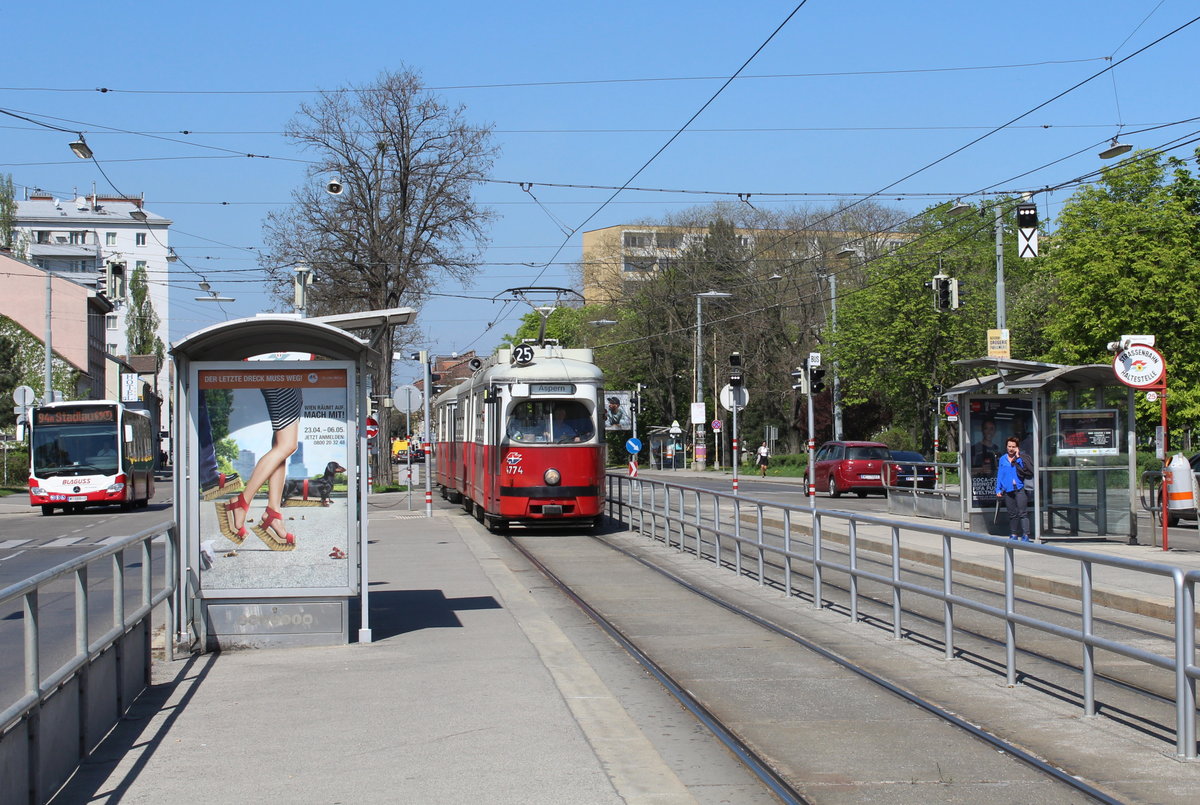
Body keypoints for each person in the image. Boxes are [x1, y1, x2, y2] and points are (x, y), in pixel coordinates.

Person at [221, 387, 302, 551]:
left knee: (280, 446)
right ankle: (241, 502)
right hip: (281, 372)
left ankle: (273, 511)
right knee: (287, 445)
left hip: (291, 374)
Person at [995, 436, 1034, 541]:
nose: (1011, 449)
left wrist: (1018, 456)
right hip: (1008, 489)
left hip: (1020, 487)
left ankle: (1026, 534)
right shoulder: (1003, 459)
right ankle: (1013, 534)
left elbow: (1025, 469)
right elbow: (1000, 474)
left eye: (1013, 447)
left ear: (1017, 447)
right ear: (1006, 447)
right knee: (1012, 513)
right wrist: (998, 489)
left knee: (1022, 512)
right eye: (1009, 446)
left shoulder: (1021, 457)